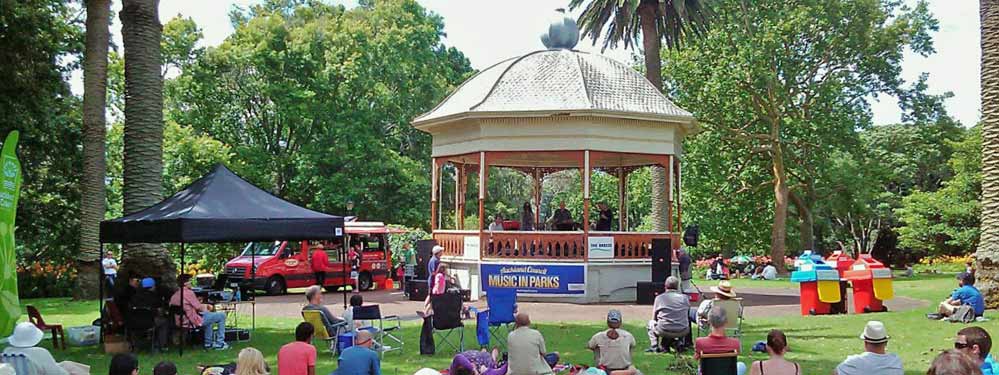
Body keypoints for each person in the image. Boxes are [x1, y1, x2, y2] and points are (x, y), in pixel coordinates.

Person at [3, 322, 90, 375]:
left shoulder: (7, 352)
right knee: (73, 369)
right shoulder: (39, 353)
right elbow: (56, 373)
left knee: (67, 364)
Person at [170, 273, 229, 350]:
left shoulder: (175, 295)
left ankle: (208, 343)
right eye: (190, 281)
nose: (191, 283)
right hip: (191, 321)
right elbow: (199, 307)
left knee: (209, 317)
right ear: (185, 283)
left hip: (180, 321)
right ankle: (220, 343)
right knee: (221, 315)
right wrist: (208, 307)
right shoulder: (188, 293)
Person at [832, 321, 903, 375]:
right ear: (886, 343)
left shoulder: (854, 362)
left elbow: (835, 373)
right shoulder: (895, 361)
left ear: (865, 342)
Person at [694, 307, 745, 375]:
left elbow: (695, 359)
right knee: (741, 365)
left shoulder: (700, 342)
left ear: (709, 321)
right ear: (726, 321)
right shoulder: (735, 343)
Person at [646, 276, 690, 352]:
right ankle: (680, 342)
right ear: (677, 286)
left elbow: (654, 318)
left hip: (663, 330)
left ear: (665, 286)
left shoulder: (659, 298)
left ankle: (654, 346)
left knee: (650, 323)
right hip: (682, 330)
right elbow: (686, 314)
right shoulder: (685, 298)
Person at [589, 310, 640, 375]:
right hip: (625, 369)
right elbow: (633, 345)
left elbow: (590, 346)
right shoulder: (628, 336)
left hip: (604, 370)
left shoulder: (598, 336)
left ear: (607, 322)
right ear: (620, 322)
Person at [131, 277, 170, 351]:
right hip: (149, 323)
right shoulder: (154, 297)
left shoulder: (134, 297)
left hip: (133, 323)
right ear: (153, 286)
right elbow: (159, 311)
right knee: (164, 322)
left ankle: (136, 345)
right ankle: (160, 346)